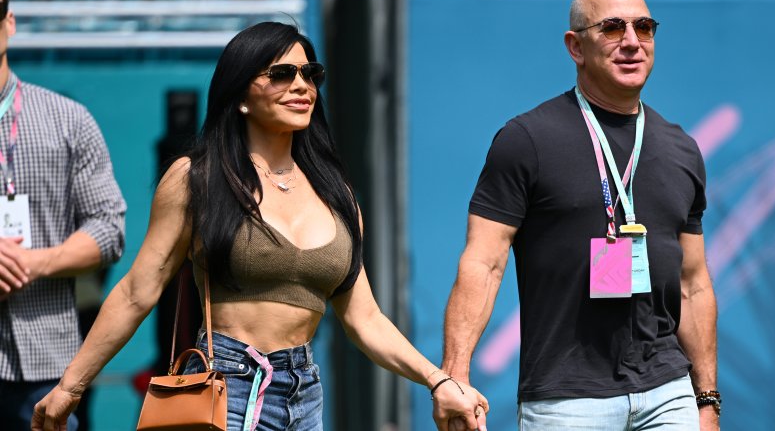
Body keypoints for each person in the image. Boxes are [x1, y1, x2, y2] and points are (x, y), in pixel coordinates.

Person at [32, 21, 488, 431]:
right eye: (282, 74)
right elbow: (138, 291)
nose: (302, 85)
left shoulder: (337, 194)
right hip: (225, 387)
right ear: (241, 94)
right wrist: (71, 386)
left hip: (304, 393)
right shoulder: (197, 178)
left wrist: (438, 380)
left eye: (310, 74)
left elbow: (364, 319)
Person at [440, 0, 719, 430]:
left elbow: (693, 283)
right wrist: (454, 377)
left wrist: (706, 399)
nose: (631, 41)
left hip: (669, 390)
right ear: (575, 46)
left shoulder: (680, 147)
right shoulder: (527, 139)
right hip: (567, 399)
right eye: (612, 28)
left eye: (643, 27)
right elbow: (484, 263)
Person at [0, 0, 126, 431]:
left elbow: (109, 229)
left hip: (46, 361)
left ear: (9, 22)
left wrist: (32, 263)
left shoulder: (68, 121)